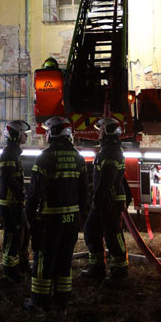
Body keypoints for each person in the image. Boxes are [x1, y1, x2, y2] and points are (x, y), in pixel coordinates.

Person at [25, 116, 88, 311]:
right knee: (65, 257)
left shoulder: (45, 157)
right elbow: (84, 192)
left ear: (52, 132)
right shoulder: (78, 157)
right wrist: (82, 217)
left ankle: (40, 300)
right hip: (71, 220)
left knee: (44, 257)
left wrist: (29, 216)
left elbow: (35, 191)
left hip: (49, 219)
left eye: (47, 131)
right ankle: (62, 298)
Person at [83, 117, 132, 282]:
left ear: (109, 131)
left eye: (101, 129)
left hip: (109, 201)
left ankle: (120, 269)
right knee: (91, 231)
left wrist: (98, 197)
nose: (99, 133)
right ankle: (97, 267)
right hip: (104, 200)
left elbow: (107, 180)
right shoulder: (109, 149)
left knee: (112, 234)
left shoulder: (110, 152)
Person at [0, 120, 31, 282]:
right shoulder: (9, 153)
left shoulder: (14, 152)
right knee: (13, 237)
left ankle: (23, 264)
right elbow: (8, 178)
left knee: (24, 234)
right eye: (24, 133)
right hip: (10, 204)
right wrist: (21, 192)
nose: (26, 136)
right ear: (16, 134)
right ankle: (10, 271)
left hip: (15, 203)